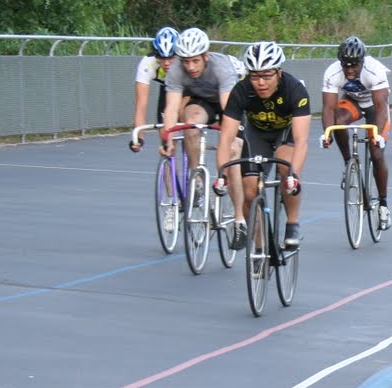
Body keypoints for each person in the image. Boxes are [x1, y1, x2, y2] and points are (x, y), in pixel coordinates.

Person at [216, 41, 310, 251]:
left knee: (286, 167)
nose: (260, 83)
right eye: (255, 76)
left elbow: (302, 139)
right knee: (249, 192)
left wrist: (294, 175)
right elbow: (226, 138)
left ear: (279, 73)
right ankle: (260, 248)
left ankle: (292, 224)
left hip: (285, 134)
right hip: (257, 135)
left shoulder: (295, 89)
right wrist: (221, 173)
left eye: (267, 76)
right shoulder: (241, 90)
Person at [320, 35, 392, 230]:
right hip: (352, 102)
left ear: (362, 61)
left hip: (375, 107)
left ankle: (384, 205)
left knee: (376, 153)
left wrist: (376, 135)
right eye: (346, 65)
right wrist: (327, 133)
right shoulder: (332, 72)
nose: (350, 70)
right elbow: (327, 108)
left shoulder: (374, 70)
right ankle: (348, 164)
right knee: (336, 122)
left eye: (354, 65)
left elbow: (380, 108)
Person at [158, 27, 240, 169]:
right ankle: (196, 176)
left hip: (226, 101)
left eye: (196, 61)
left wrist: (229, 139)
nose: (191, 67)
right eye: (186, 61)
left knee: (231, 151)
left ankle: (229, 182)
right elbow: (171, 109)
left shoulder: (221, 67)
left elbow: (229, 108)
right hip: (202, 102)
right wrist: (169, 140)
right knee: (191, 124)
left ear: (205, 56)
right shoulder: (176, 70)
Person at [128, 26, 178, 151]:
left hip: (186, 90)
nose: (166, 63)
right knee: (166, 142)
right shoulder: (147, 64)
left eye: (171, 57)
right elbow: (141, 105)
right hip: (166, 90)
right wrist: (138, 137)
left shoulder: (187, 62)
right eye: (162, 57)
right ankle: (169, 167)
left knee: (190, 132)